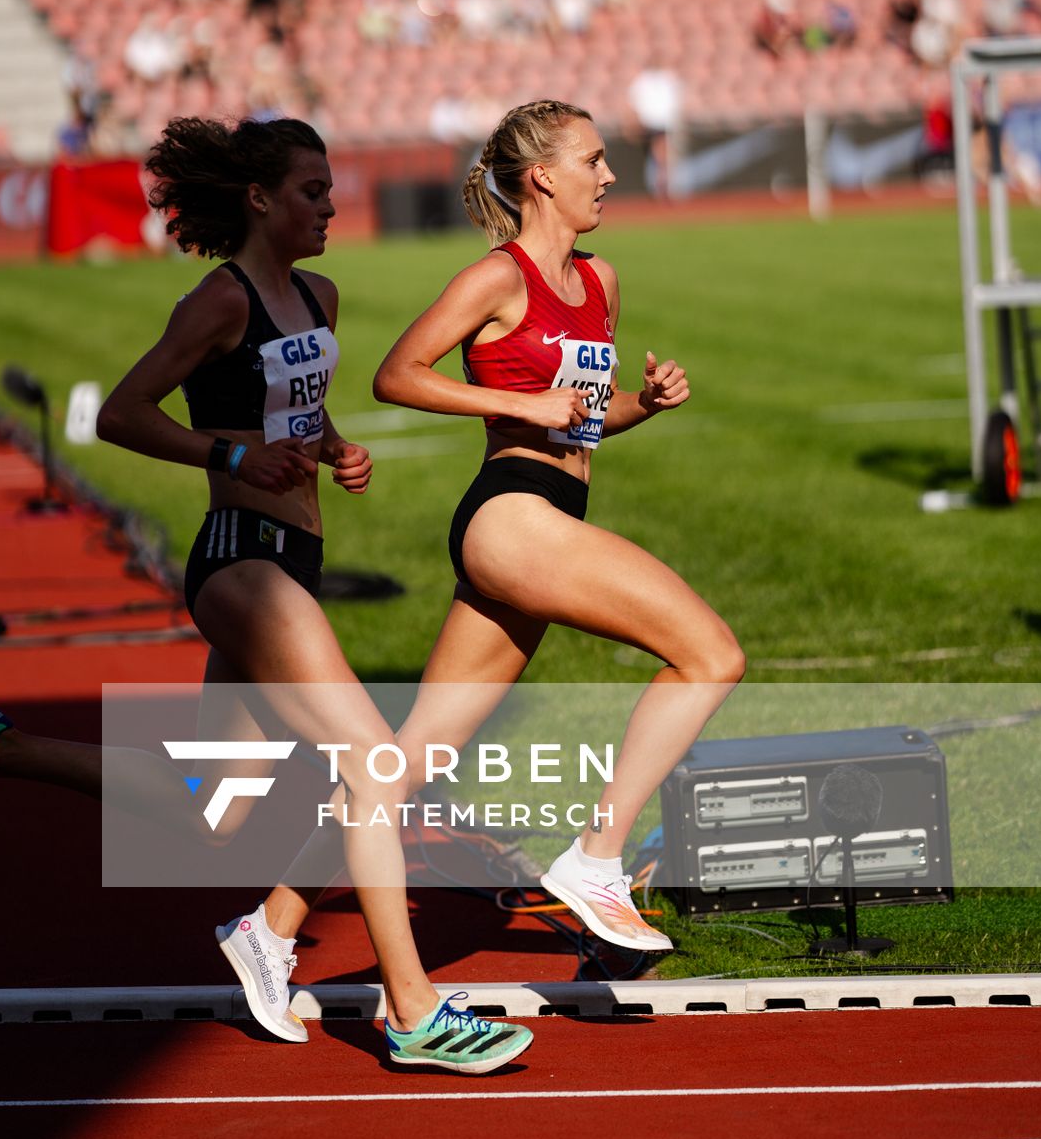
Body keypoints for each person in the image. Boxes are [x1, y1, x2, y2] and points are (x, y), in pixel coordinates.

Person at [0, 115, 533, 1076]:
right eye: (312, 192)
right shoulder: (219, 303)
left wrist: (333, 448)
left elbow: (300, 412)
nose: (330, 206)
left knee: (213, 806)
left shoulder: (319, 297)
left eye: (330, 190)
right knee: (376, 764)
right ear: (260, 200)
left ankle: (1, 747)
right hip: (243, 563)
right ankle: (411, 1011)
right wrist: (229, 452)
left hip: (296, 556)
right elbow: (121, 413)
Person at [257, 99, 744, 975]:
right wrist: (519, 404)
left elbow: (581, 428)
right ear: (543, 178)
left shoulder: (601, 281)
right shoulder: (497, 278)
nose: (609, 175)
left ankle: (270, 928)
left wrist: (645, 404)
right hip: (509, 517)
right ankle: (597, 860)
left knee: (407, 762)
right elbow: (396, 374)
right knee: (710, 655)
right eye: (594, 160)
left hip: (552, 511)